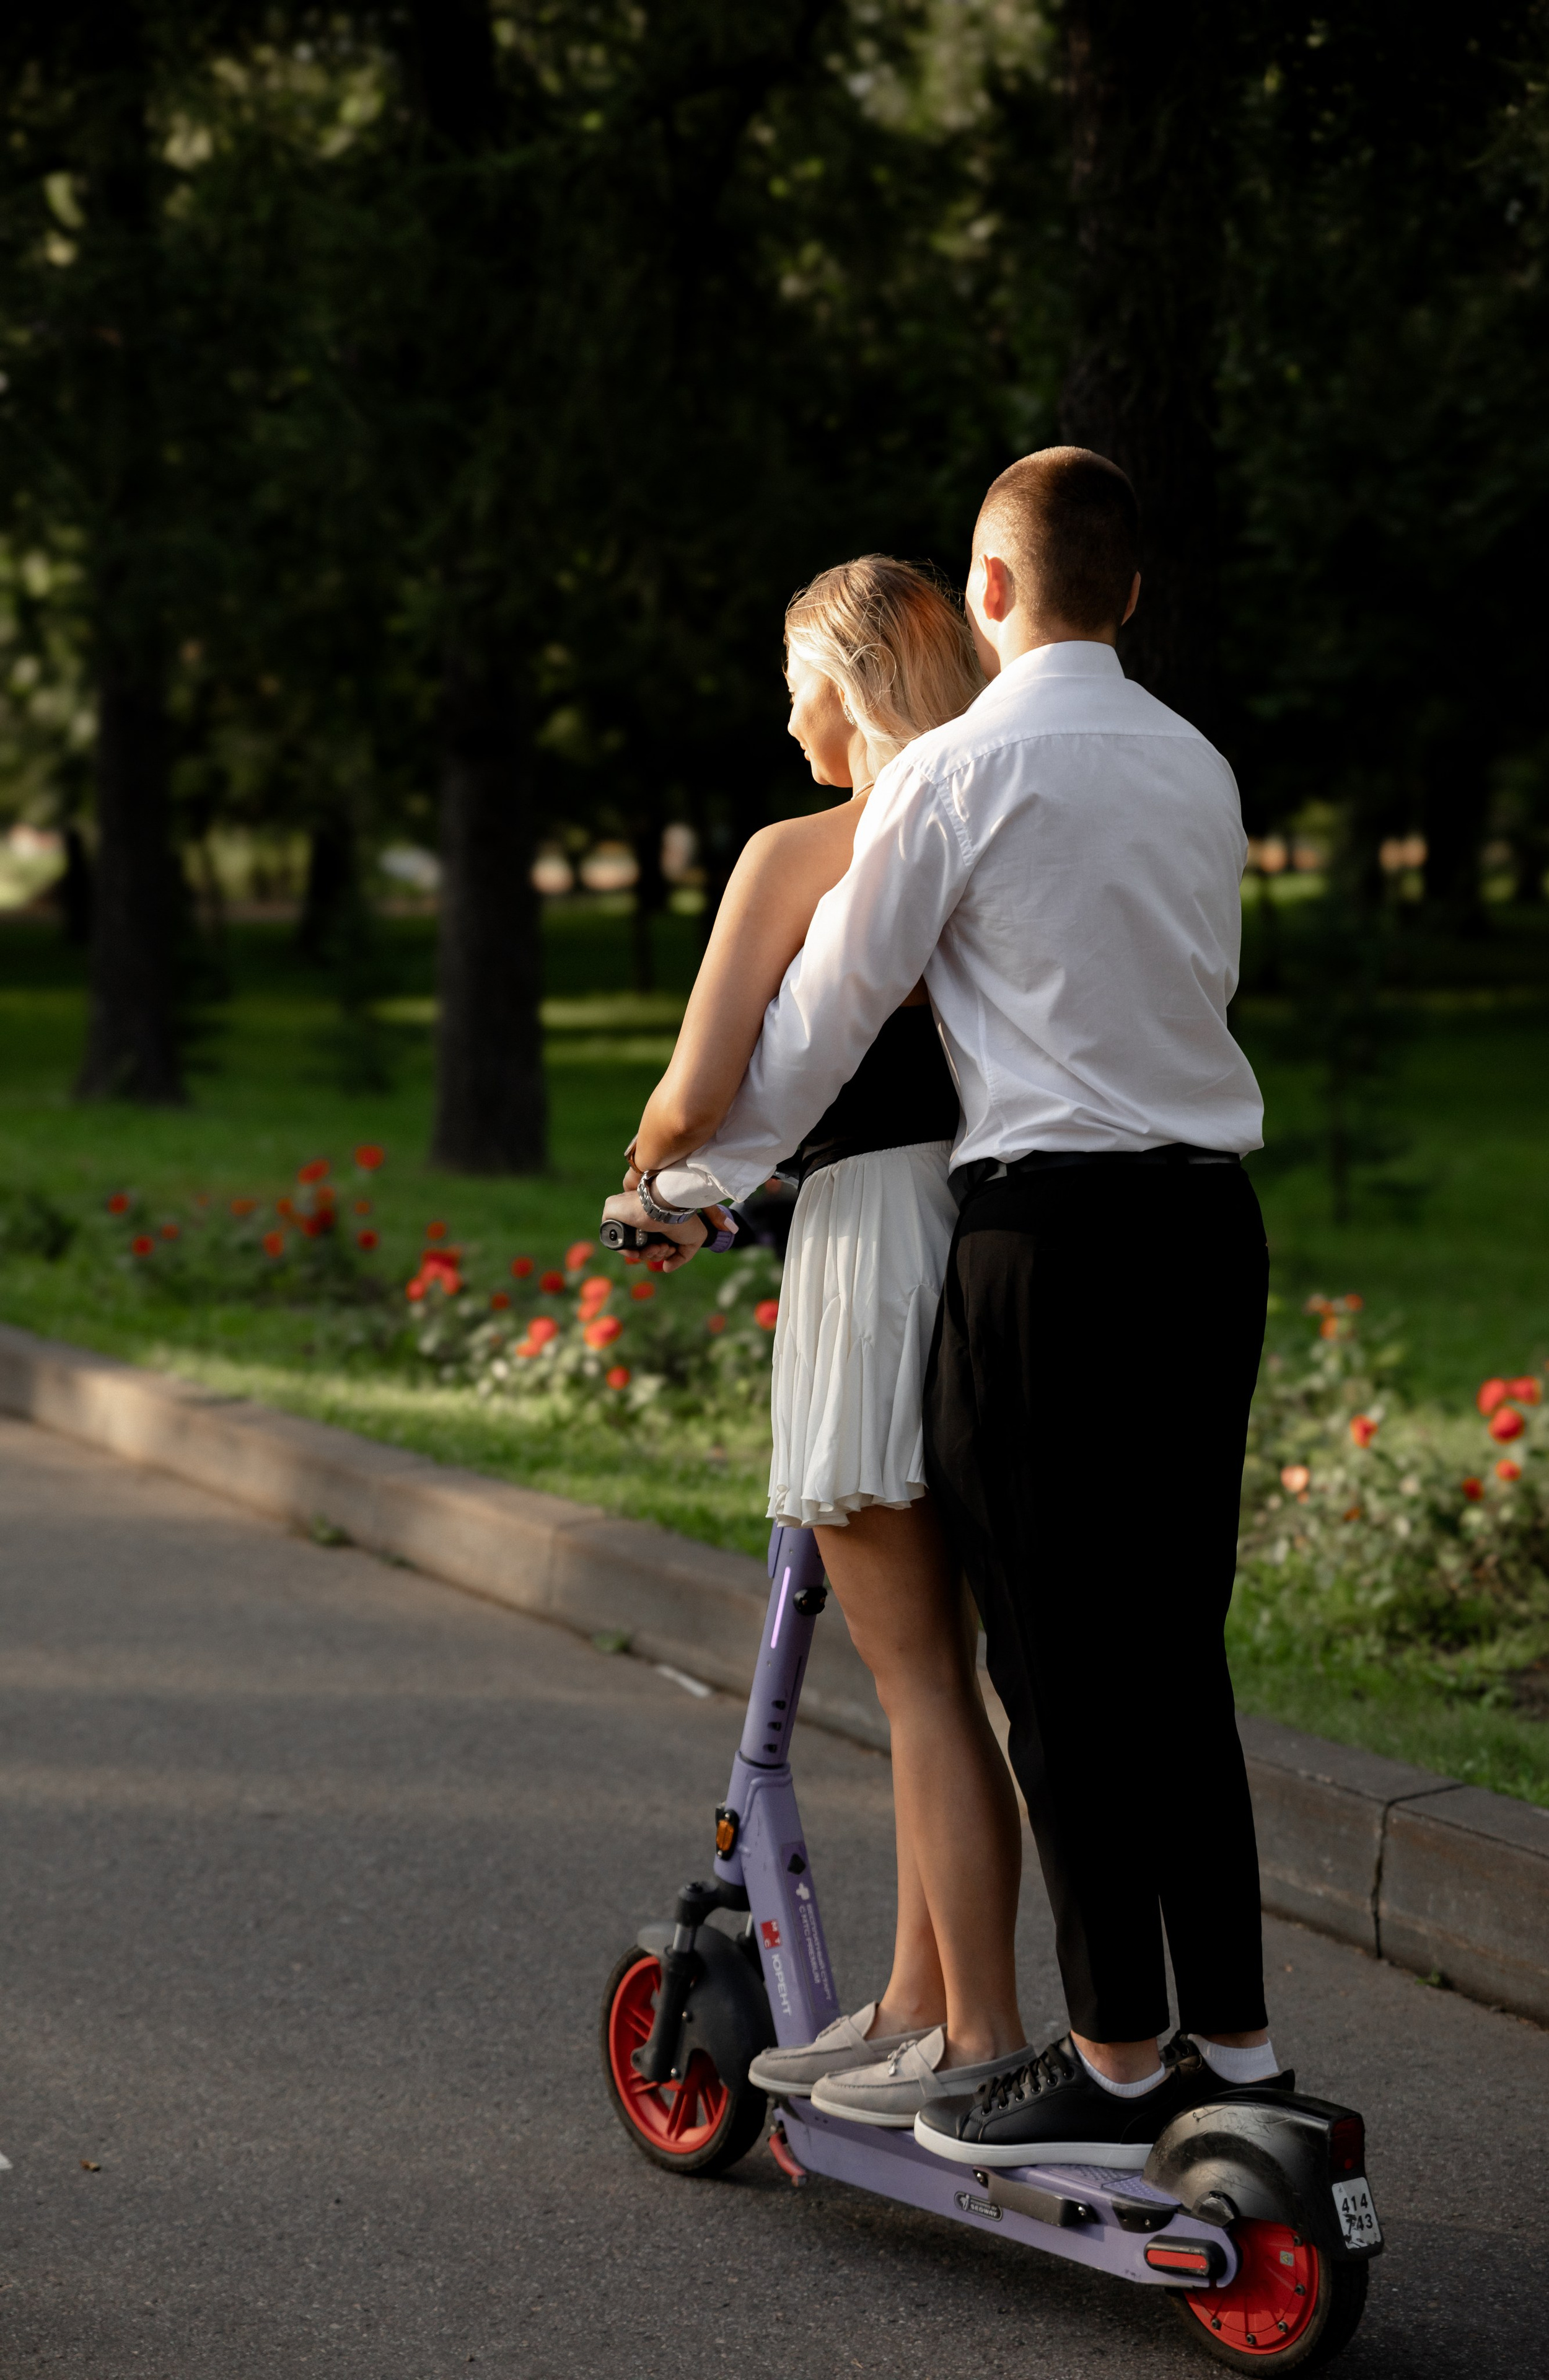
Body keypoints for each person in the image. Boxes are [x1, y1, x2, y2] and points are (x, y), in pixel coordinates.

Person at [621, 449, 1284, 2168]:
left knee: (1056, 1672)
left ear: (991, 591)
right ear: (1127, 591)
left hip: (1045, 1241)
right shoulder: (1199, 768)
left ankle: (1118, 2060)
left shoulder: (961, 774)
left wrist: (690, 1189)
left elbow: (820, 1030)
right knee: (1175, 1652)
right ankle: (1242, 2044)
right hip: (1211, 1229)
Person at [605, 557, 1031, 2127]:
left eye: (791, 678)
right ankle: (918, 2003)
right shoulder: (993, 819)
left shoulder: (805, 848)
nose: (783, 717)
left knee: (915, 1675)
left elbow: (703, 1079)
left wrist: (644, 1187)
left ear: (843, 682)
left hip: (867, 1233)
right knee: (960, 1671)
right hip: (994, 1222)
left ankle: (973, 2025)